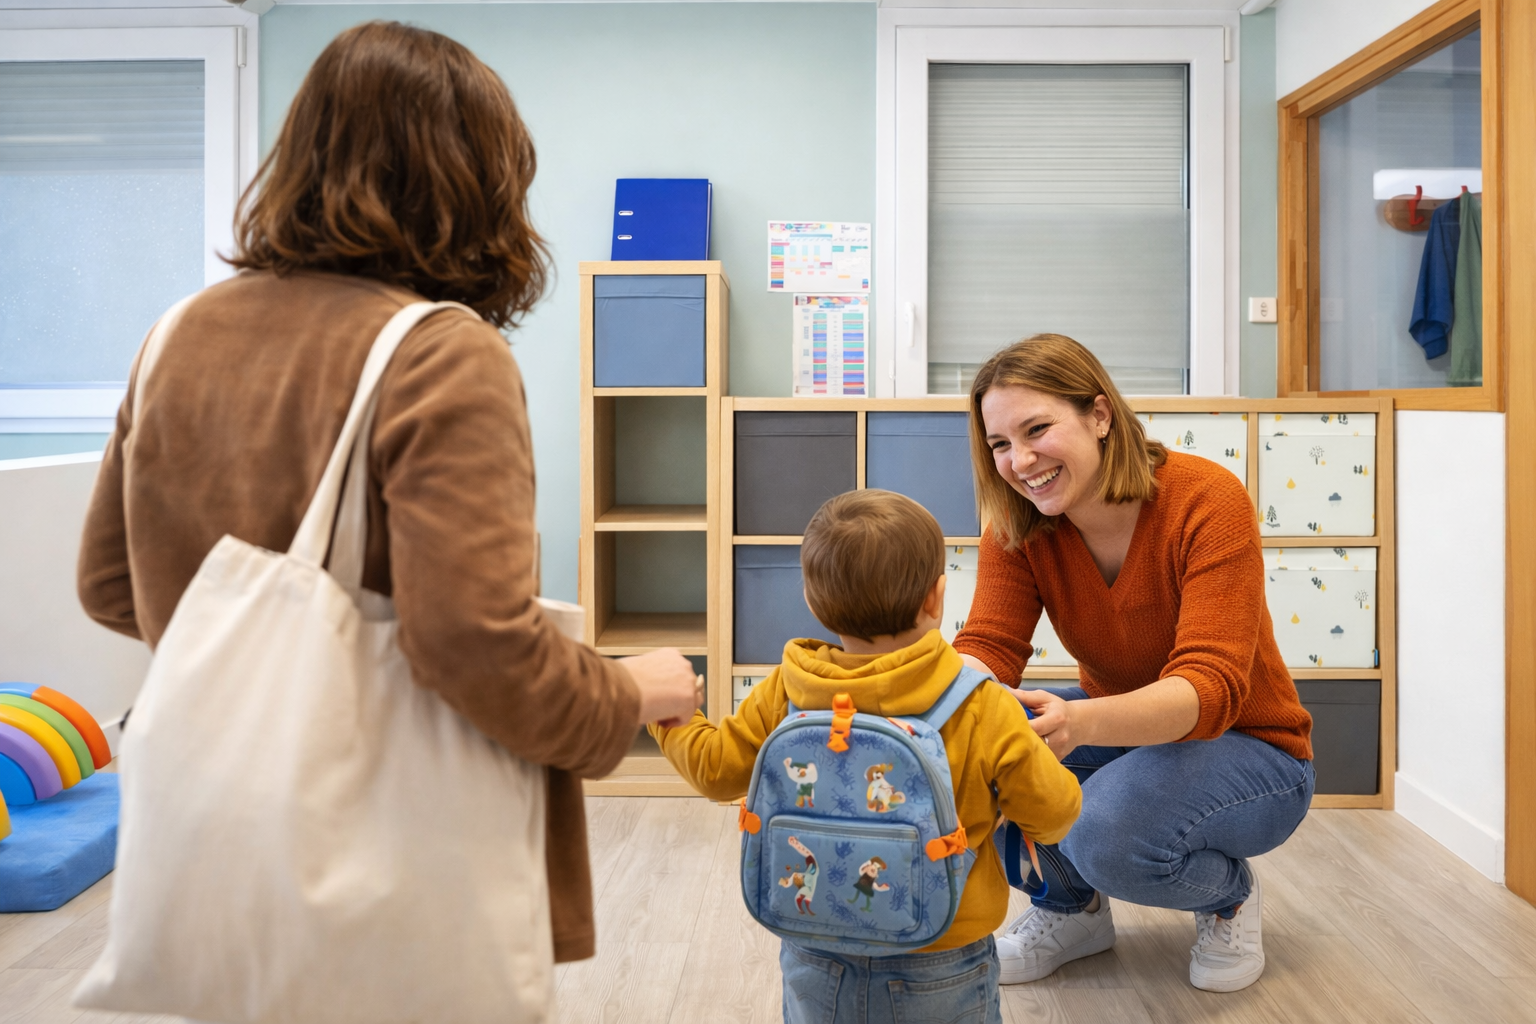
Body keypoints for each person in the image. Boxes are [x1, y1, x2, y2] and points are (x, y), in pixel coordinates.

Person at [75, 20, 700, 968]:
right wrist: (625, 693)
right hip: (394, 874)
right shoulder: (441, 351)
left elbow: (112, 587)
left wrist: (265, 672)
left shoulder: (176, 336)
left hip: (223, 846)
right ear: (471, 181)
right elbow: (469, 643)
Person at [953, 334, 1316, 993]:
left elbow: (1209, 689)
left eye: (1037, 430)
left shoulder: (1206, 498)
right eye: (1001, 444)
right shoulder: (1018, 522)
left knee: (1103, 832)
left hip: (1254, 750)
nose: (1020, 460)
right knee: (985, 758)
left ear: (1099, 415)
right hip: (1128, 736)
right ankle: (1072, 913)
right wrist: (951, 703)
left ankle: (1227, 896)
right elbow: (989, 645)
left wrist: (1082, 723)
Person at [652, 489, 1082, 1024]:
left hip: (814, 943)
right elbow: (1053, 814)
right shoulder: (980, 703)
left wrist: (667, 715)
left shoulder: (787, 691)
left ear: (811, 601)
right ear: (937, 598)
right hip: (943, 949)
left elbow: (714, 771)